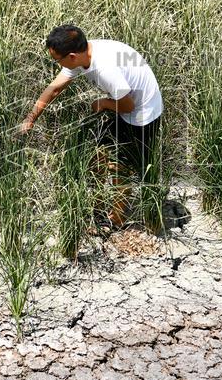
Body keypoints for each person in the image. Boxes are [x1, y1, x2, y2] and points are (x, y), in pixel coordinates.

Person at [20, 24, 163, 227]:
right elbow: (53, 89)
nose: (57, 64)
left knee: (119, 169)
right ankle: (98, 205)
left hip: (142, 114)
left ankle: (117, 220)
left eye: (57, 60)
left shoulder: (105, 69)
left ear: (71, 56)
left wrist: (103, 103)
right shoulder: (83, 53)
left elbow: (128, 105)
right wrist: (30, 119)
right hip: (124, 103)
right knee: (98, 155)